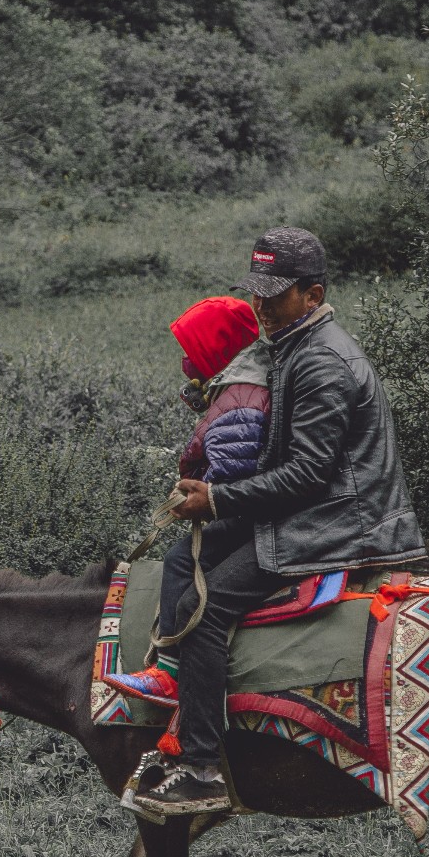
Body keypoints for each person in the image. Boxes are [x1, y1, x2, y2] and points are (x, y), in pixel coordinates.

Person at [133, 226, 425, 817]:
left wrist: (216, 500)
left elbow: (309, 476)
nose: (260, 304)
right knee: (189, 562)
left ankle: (202, 766)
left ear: (312, 295)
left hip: (341, 522)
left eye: (275, 293)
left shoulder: (322, 364)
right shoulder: (296, 346)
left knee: (205, 612)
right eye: (256, 292)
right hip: (312, 512)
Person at [106, 295, 271, 703]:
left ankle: (169, 670)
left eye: (190, 352)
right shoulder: (242, 386)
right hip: (248, 505)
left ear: (215, 350)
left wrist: (197, 494)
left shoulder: (241, 397)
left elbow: (235, 469)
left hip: (242, 512)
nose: (185, 363)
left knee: (183, 561)